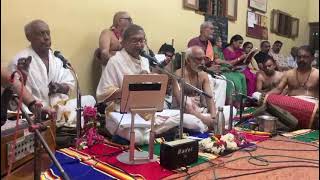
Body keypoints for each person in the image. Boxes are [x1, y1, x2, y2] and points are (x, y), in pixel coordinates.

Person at [96, 24, 178, 144]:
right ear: (123, 42)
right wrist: (133, 88)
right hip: (121, 112)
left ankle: (148, 132)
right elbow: (102, 95)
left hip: (145, 109)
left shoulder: (144, 60)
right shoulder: (115, 61)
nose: (139, 45)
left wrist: (153, 83)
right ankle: (150, 133)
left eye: (142, 40)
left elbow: (149, 89)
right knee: (138, 137)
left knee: (180, 118)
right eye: (135, 41)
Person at [8, 19, 95, 127]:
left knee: (90, 99)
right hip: (35, 112)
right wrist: (23, 76)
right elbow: (13, 96)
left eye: (48, 33)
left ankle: (62, 121)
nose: (46, 37)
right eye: (41, 34)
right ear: (29, 37)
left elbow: (69, 85)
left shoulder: (57, 59)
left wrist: (59, 87)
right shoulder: (20, 60)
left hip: (58, 108)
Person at [172, 46, 216, 129]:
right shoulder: (178, 75)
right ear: (188, 60)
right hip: (183, 112)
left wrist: (214, 117)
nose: (203, 62)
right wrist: (204, 119)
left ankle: (207, 123)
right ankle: (205, 124)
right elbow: (182, 104)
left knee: (230, 111)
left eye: (204, 59)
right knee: (193, 122)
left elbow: (209, 98)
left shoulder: (203, 75)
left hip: (199, 110)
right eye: (199, 59)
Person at [188, 21, 227, 107]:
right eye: (211, 29)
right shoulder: (194, 42)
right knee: (209, 79)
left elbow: (210, 61)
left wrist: (215, 68)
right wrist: (208, 69)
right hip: (196, 71)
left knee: (222, 80)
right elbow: (193, 63)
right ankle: (207, 107)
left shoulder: (209, 44)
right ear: (203, 30)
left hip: (208, 70)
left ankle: (217, 108)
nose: (213, 31)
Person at [213, 37, 246, 105]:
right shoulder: (214, 49)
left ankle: (242, 101)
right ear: (216, 42)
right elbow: (217, 61)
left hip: (227, 68)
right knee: (236, 80)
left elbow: (224, 61)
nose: (221, 43)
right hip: (221, 70)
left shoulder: (219, 50)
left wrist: (231, 67)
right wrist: (228, 63)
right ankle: (233, 103)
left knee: (242, 76)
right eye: (220, 41)